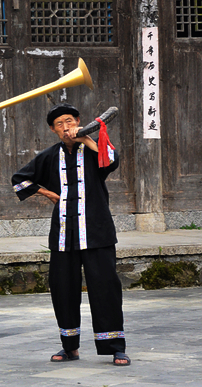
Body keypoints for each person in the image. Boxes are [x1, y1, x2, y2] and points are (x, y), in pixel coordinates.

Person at [10, 103, 130, 366]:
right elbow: (19, 179)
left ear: (78, 121)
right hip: (64, 236)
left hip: (97, 233)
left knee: (106, 289)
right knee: (63, 290)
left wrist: (86, 137)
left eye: (69, 121)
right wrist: (47, 192)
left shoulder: (93, 150)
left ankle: (115, 346)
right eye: (59, 125)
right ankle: (70, 346)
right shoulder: (49, 156)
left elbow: (111, 160)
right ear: (53, 130)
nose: (65, 128)